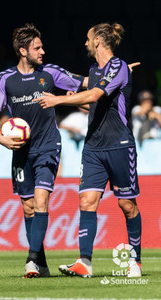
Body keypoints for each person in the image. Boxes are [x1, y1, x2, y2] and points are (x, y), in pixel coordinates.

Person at [36, 23, 142, 278]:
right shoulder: (95, 71)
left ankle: (135, 262)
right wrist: (78, 100)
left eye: (87, 38)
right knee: (86, 201)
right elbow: (96, 105)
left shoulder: (118, 66)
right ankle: (85, 261)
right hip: (93, 147)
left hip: (119, 145)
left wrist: (58, 99)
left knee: (127, 205)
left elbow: (94, 96)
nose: (84, 43)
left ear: (97, 41)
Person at [0, 23, 86, 278]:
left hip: (48, 146)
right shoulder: (6, 79)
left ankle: (31, 260)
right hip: (21, 151)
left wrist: (113, 74)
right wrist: (0, 137)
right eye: (37, 47)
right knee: (28, 207)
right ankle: (41, 264)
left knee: (41, 202)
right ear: (23, 51)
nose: (43, 51)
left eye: (42, 46)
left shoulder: (51, 73)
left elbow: (83, 81)